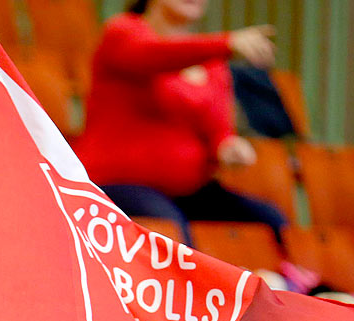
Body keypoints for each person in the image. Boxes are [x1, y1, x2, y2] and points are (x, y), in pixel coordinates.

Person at [72, 0, 287, 246]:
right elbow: (152, 54)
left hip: (188, 192)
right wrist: (225, 43)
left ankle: (301, 284)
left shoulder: (212, 61)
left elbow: (219, 130)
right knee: (168, 227)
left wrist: (228, 147)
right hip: (117, 185)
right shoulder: (122, 31)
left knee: (269, 219)